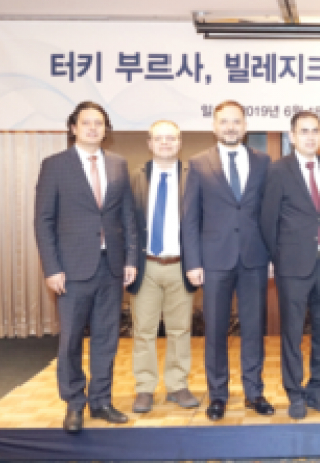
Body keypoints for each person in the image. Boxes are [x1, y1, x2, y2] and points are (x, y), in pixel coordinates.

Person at [34, 101, 137, 434]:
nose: (93, 128)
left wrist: (131, 260)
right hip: (72, 269)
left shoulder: (118, 164)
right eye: (87, 122)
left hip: (111, 267)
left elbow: (127, 216)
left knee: (107, 338)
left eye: (99, 123)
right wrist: (52, 268)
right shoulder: (55, 166)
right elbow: (43, 221)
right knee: (71, 340)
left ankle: (101, 401)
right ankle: (74, 404)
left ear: (106, 130)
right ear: (74, 128)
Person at [181, 100, 273, 421]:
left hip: (254, 258)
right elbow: (190, 218)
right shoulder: (198, 163)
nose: (231, 127)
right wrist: (193, 262)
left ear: (245, 126)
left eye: (236, 122)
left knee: (254, 329)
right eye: (224, 121)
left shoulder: (263, 161)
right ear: (214, 126)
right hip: (213, 260)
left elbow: (268, 212)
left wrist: (271, 255)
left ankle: (254, 392)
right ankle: (218, 395)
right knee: (216, 331)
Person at [260, 111, 320, 420]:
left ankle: (318, 390)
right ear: (292, 136)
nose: (310, 136)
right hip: (292, 265)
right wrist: (275, 259)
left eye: (315, 131)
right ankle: (294, 393)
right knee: (292, 333)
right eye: (304, 131)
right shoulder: (278, 170)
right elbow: (268, 220)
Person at [127, 120, 198, 414]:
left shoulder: (194, 177)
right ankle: (145, 387)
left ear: (180, 143)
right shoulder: (135, 177)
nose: (165, 143)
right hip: (146, 266)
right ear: (150, 143)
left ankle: (177, 385)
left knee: (180, 329)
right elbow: (127, 223)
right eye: (159, 138)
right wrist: (129, 261)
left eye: (171, 138)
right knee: (143, 330)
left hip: (181, 266)